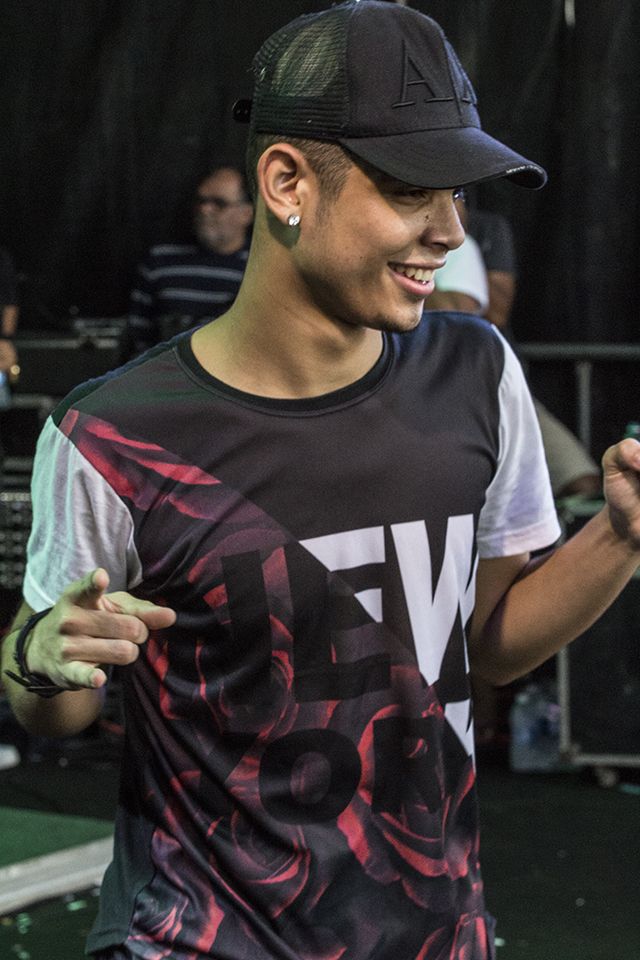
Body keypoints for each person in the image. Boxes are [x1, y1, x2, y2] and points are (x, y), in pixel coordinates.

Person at [2, 4, 640, 958]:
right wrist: (39, 654)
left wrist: (622, 536)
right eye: (413, 190)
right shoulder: (114, 434)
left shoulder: (476, 373)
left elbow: (487, 649)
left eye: (457, 195)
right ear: (287, 181)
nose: (450, 231)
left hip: (432, 934)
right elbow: (53, 701)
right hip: (197, 939)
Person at [431, 197, 602, 500]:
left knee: (579, 480)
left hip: (492, 385)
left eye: (456, 195)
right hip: (432, 394)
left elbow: (479, 313)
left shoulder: (471, 240)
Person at [126, 165, 253, 356]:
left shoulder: (262, 267)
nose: (205, 209)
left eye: (219, 203)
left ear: (246, 213)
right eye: (201, 201)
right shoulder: (161, 261)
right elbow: (137, 337)